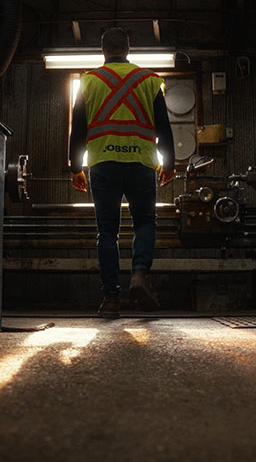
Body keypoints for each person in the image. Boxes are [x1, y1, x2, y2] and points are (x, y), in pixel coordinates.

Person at [69, 27, 176, 319]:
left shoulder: (89, 80)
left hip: (103, 162)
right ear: (128, 50)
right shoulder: (148, 80)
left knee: (107, 231)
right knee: (144, 222)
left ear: (102, 50)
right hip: (141, 162)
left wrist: (74, 166)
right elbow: (163, 126)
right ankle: (140, 274)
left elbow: (77, 127)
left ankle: (110, 299)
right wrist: (169, 163)